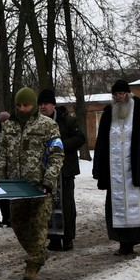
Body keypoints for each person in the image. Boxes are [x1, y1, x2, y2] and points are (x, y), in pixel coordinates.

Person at [0, 88, 64, 280]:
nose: (22, 109)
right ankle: (39, 253)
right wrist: (0, 182)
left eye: (26, 105)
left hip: (40, 188)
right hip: (16, 188)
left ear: (33, 105)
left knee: (38, 225)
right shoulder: (8, 127)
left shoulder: (48, 126)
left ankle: (32, 265)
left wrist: (49, 181)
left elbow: (57, 155)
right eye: (19, 105)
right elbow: (1, 154)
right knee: (19, 226)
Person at [92, 79, 140, 257]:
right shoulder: (108, 113)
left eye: (122, 94)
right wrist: (97, 168)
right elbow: (101, 142)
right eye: (116, 95)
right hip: (115, 172)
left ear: (129, 93)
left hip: (139, 167)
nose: (119, 98)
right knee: (118, 207)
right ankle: (126, 244)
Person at [37, 88, 86, 251]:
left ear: (54, 105)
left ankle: (67, 237)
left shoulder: (67, 120)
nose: (43, 107)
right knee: (48, 205)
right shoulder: (37, 122)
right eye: (41, 104)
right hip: (46, 171)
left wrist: (61, 146)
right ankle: (54, 238)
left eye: (46, 103)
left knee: (66, 204)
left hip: (65, 169)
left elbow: (81, 138)